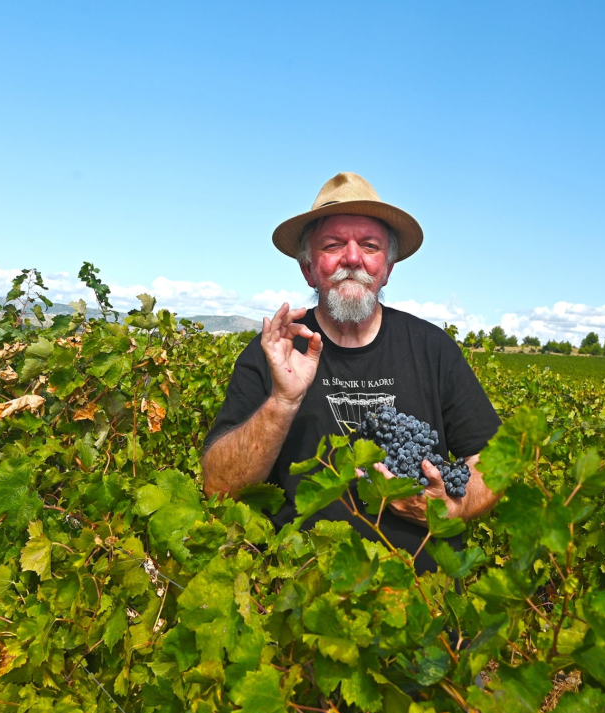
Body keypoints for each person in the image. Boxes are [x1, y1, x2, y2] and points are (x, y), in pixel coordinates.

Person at [201, 172, 501, 571]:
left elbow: (494, 459)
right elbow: (218, 487)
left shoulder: (433, 349)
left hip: (425, 606)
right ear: (309, 270)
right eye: (333, 245)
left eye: (370, 246)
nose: (353, 258)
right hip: (307, 598)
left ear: (387, 268)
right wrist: (283, 401)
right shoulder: (271, 354)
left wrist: (453, 505)